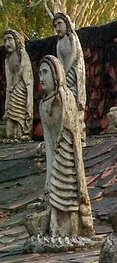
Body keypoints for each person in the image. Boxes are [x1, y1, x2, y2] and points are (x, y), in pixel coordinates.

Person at [36, 55, 93, 242]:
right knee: (54, 191)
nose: (41, 78)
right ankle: (56, 230)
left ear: (56, 74)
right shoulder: (43, 104)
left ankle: (73, 230)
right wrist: (47, 180)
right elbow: (48, 141)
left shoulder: (65, 97)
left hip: (68, 153)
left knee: (67, 194)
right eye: (39, 74)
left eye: (45, 72)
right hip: (56, 156)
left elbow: (70, 131)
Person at [2, 29, 33, 139]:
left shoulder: (22, 55)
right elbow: (9, 77)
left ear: (17, 40)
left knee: (19, 114)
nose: (7, 43)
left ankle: (22, 131)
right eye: (5, 40)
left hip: (21, 88)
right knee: (10, 115)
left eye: (10, 39)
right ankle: (12, 135)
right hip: (12, 89)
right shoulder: (8, 59)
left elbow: (26, 75)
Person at [52, 12, 86, 112]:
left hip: (73, 71)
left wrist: (66, 71)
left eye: (59, 24)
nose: (57, 28)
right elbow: (60, 61)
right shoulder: (59, 43)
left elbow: (74, 55)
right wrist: (61, 74)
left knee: (72, 94)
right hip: (64, 75)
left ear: (67, 23)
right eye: (55, 26)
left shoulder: (72, 37)